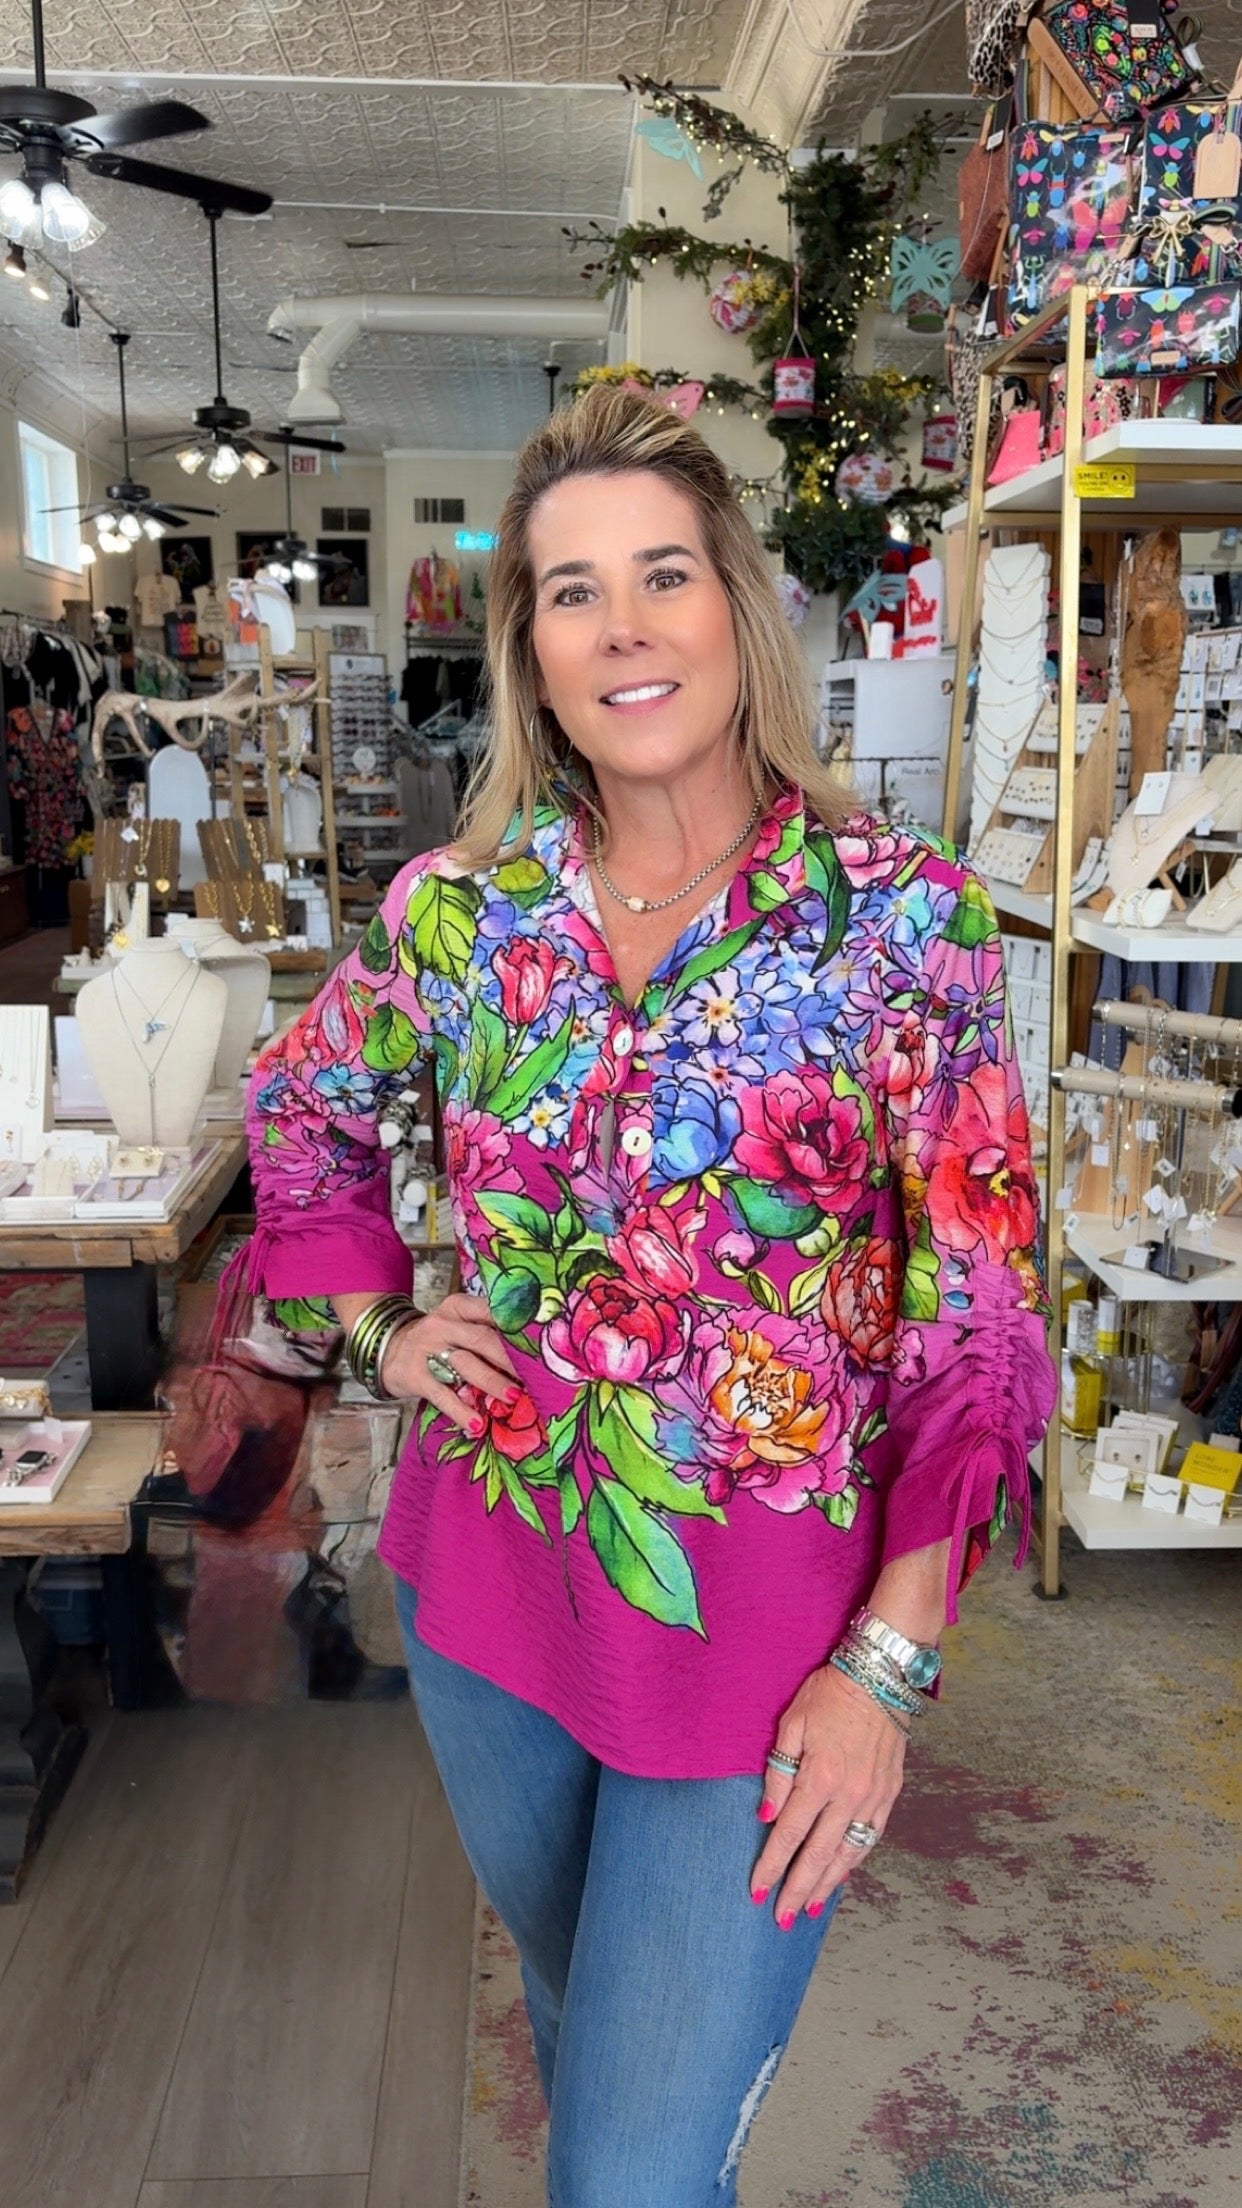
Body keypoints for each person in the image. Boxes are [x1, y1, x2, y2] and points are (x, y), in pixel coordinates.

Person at [245, 384, 1058, 2207]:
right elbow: (295, 1115)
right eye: (568, 590)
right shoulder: (462, 912)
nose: (620, 625)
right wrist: (383, 1325)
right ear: (530, 653)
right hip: (490, 1611)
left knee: (618, 2167)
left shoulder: (898, 923)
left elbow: (978, 1324)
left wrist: (891, 1664)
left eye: (662, 575)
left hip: (767, 1646)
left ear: (733, 609)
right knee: (586, 2048)